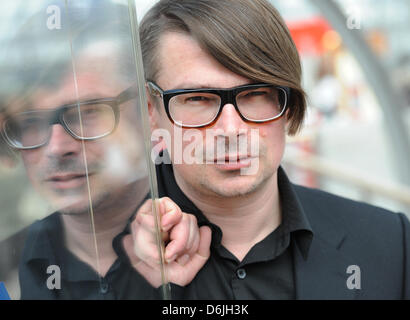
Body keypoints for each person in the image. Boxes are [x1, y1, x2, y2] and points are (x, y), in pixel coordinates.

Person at [122, 0, 410, 299]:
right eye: (198, 98)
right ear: (149, 108)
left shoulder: (389, 244)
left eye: (256, 94)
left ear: (288, 103)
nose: (231, 130)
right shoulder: (94, 253)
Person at [0, 3, 203, 299]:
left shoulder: (219, 241)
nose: (57, 148)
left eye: (87, 113)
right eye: (31, 121)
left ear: (148, 111)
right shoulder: (13, 268)